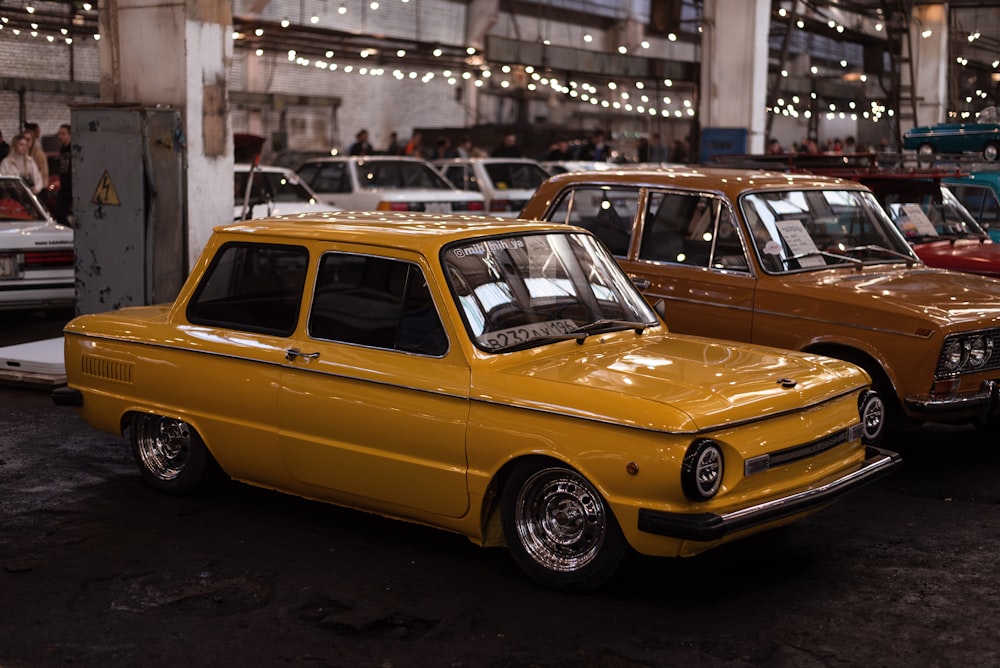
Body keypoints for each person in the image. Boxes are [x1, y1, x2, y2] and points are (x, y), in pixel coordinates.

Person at [53, 123, 73, 226]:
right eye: (59, 134)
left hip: (73, 186)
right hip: (64, 186)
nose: (60, 136)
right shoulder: (62, 149)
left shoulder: (73, 148)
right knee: (58, 213)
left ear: (70, 135)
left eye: (63, 134)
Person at [22, 123, 49, 187]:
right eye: (24, 139)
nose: (25, 142)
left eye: (28, 140)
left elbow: (44, 171)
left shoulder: (38, 153)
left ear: (32, 140)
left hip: (39, 187)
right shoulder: (21, 153)